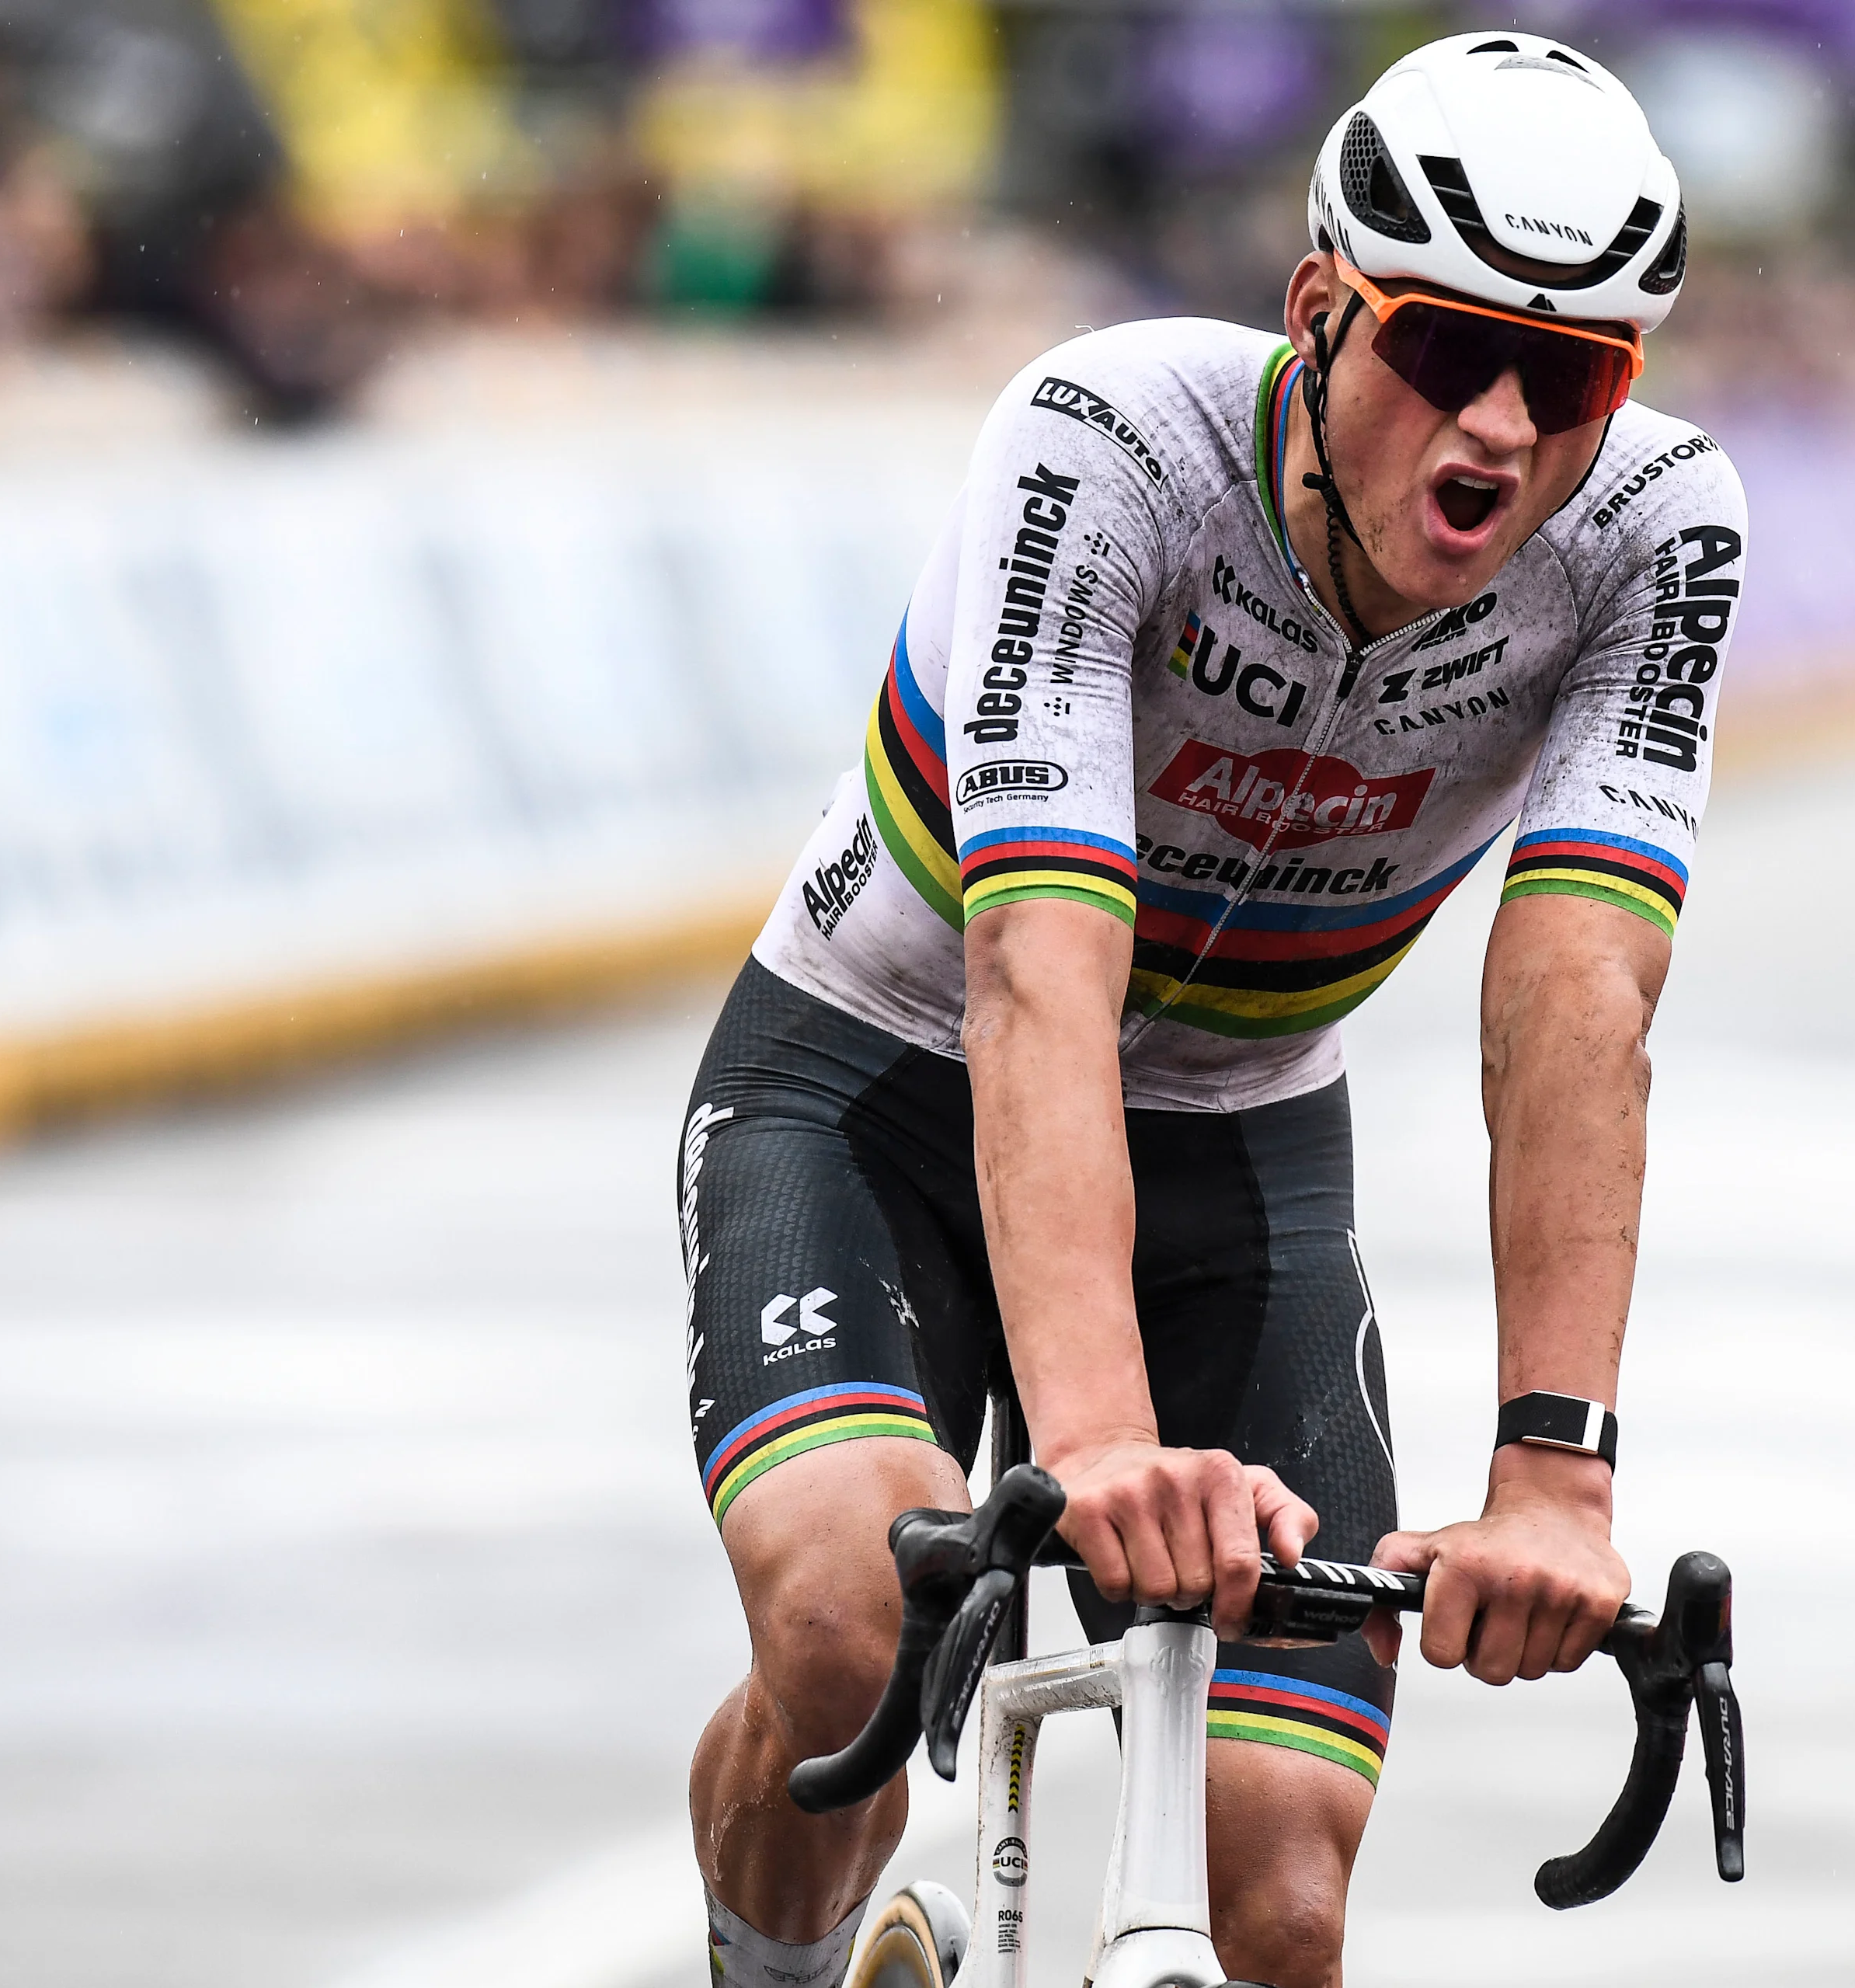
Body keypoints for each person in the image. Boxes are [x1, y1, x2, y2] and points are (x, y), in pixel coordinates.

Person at [680, 31, 1745, 1988]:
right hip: (876, 1085)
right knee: (846, 1629)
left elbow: (1580, 989)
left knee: (1280, 1885)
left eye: (1572, 376)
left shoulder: (1654, 534)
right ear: (1318, 312)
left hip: (1245, 1142)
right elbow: (1037, 966)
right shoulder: (1111, 444)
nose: (1500, 427)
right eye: (1441, 350)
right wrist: (1093, 1445)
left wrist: (1553, 1473)